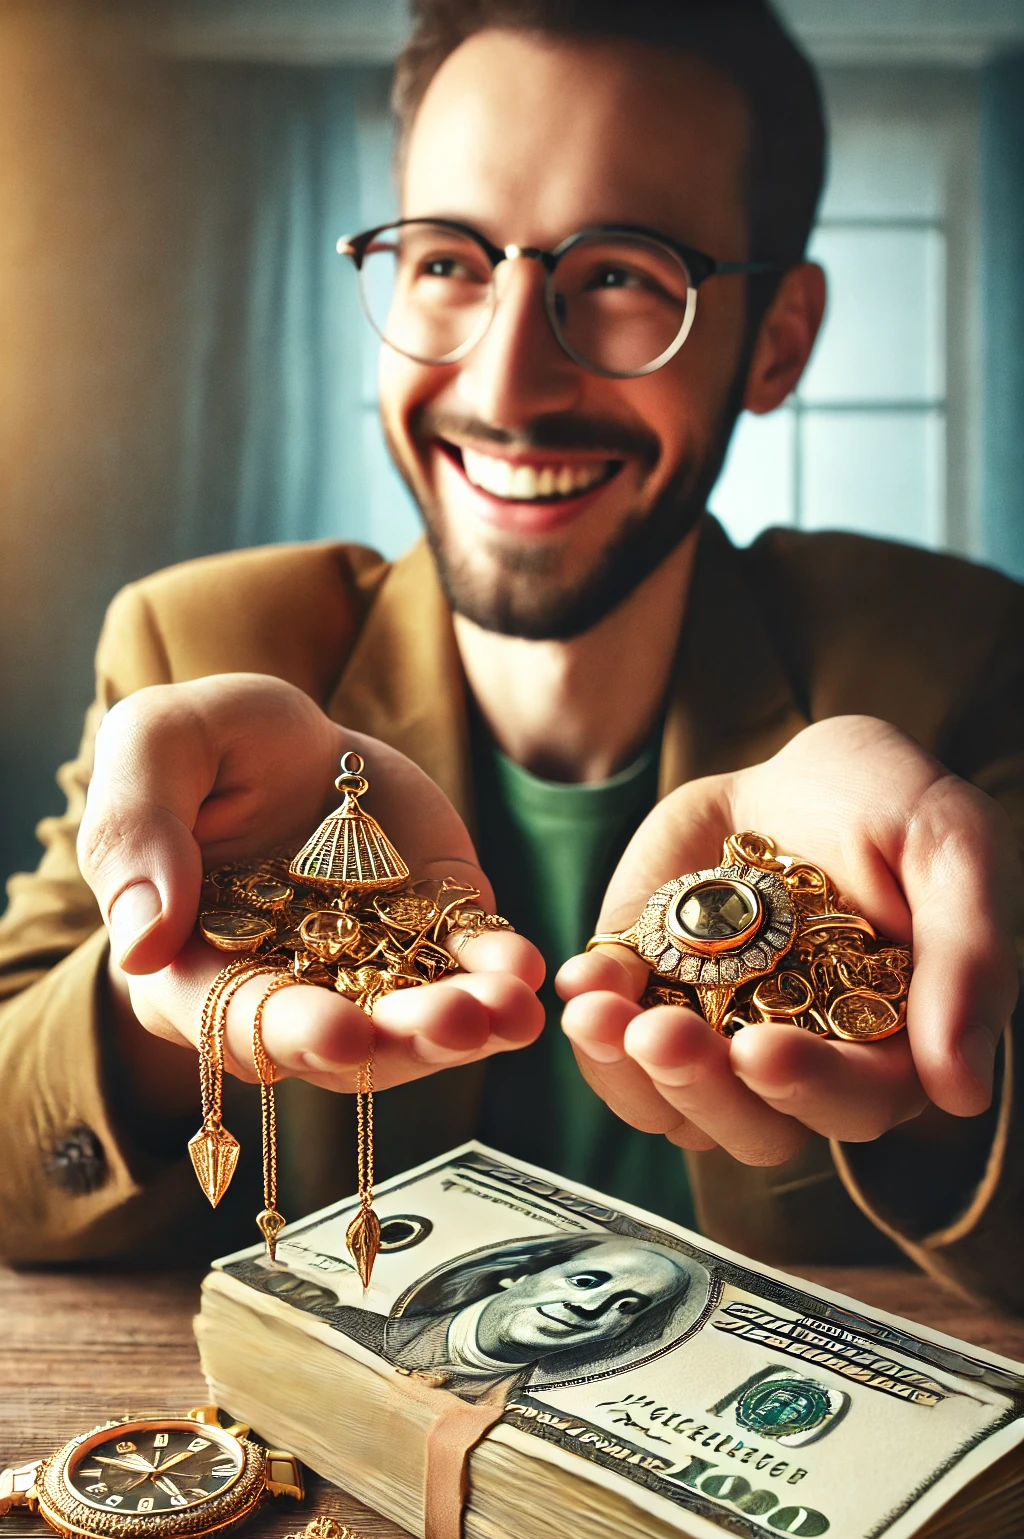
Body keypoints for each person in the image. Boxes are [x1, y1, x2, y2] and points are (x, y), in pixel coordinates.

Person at [1, 0, 1022, 1305]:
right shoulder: (196, 652)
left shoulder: (955, 662)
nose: (508, 383)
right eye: (445, 262)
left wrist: (933, 1061)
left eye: (619, 274)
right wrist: (180, 990)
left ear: (776, 341)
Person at [296, 1234, 699, 1402]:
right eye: (585, 1280)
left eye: (626, 1306)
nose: (590, 1307)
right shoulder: (336, 1324)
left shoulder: (536, 1407)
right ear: (522, 1275)